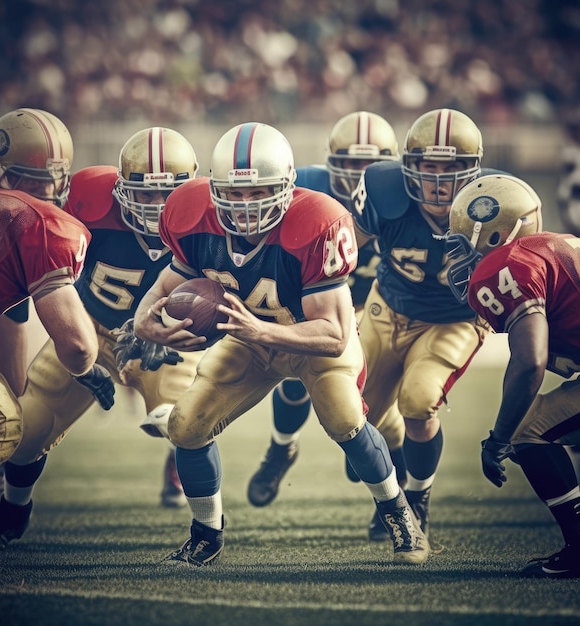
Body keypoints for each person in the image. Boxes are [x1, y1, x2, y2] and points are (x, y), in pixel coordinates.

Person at [131, 121, 429, 567]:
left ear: (287, 187)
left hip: (309, 340)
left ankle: (401, 516)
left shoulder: (318, 222)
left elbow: (334, 334)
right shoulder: (190, 214)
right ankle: (205, 535)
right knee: (186, 426)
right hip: (249, 338)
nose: (246, 204)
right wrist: (144, 321)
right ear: (214, 189)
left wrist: (260, 331)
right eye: (234, 192)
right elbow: (166, 282)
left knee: (346, 419)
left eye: (259, 192)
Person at [0, 127, 198, 549]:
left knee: (187, 420)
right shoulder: (89, 199)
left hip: (162, 339)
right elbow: (35, 249)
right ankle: (14, 511)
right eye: (143, 193)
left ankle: (206, 523)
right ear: (121, 188)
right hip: (88, 327)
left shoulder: (206, 218)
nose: (155, 205)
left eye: (167, 193)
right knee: (28, 429)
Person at [246, 112, 408, 536]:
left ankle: (391, 501)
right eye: (350, 164)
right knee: (295, 378)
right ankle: (281, 449)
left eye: (371, 166)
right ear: (330, 162)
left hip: (374, 308)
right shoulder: (305, 190)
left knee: (381, 405)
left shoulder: (403, 197)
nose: (360, 175)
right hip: (313, 307)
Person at [0, 173, 114, 591]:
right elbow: (78, 346)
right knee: (1, 425)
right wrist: (87, 370)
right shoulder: (41, 221)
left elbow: (10, 338)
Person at [349, 108, 497, 542]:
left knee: (418, 402)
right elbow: (342, 252)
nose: (438, 180)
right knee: (360, 415)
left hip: (453, 320)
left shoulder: (495, 202)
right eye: (428, 167)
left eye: (451, 168)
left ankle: (417, 499)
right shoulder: (382, 189)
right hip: (387, 308)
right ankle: (391, 492)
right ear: (408, 167)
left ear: (473, 171)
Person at [445, 173, 580, 578]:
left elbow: (529, 361)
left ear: (496, 233)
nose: (456, 255)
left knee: (528, 433)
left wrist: (499, 439)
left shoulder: (505, 266)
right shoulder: (548, 249)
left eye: (463, 240)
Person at [0, 108, 75, 525]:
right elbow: (23, 346)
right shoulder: (26, 222)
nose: (46, 191)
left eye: (54, 179)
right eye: (30, 179)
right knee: (1, 422)